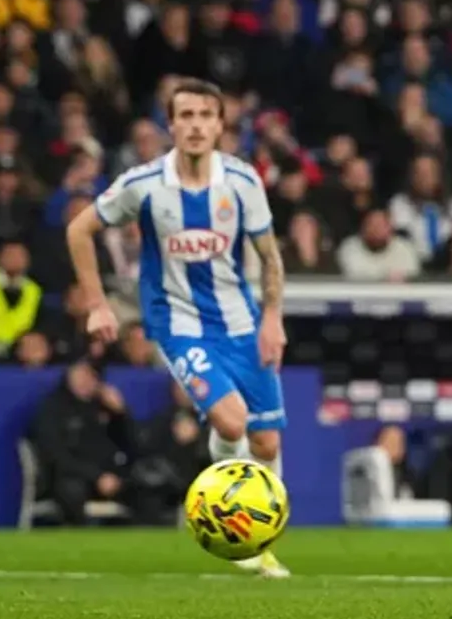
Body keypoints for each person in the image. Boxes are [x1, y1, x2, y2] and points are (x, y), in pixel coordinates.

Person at [66, 78, 292, 578]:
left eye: (205, 116)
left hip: (242, 322)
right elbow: (79, 229)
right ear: (170, 125)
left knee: (267, 445)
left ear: (220, 125)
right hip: (178, 323)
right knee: (231, 422)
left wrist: (273, 319)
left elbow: (269, 256)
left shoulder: (242, 181)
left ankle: (261, 544)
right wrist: (97, 305)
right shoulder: (144, 184)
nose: (195, 125)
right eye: (185, 115)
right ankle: (220, 511)